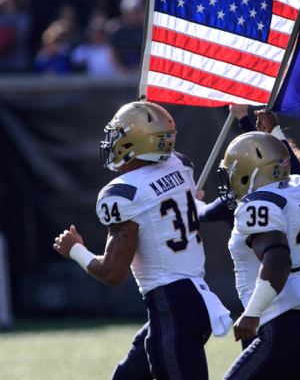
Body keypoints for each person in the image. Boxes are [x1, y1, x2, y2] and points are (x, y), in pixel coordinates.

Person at [53, 101, 231, 380]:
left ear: (134, 143)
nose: (112, 142)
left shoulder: (123, 193)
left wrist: (76, 249)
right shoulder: (181, 164)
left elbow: (113, 273)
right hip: (193, 300)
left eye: (118, 135)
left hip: (172, 308)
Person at [199, 106, 300, 379]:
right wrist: (274, 131)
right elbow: (292, 168)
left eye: (235, 172)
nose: (231, 181)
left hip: (281, 324)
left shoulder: (257, 205)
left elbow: (278, 259)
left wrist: (252, 313)